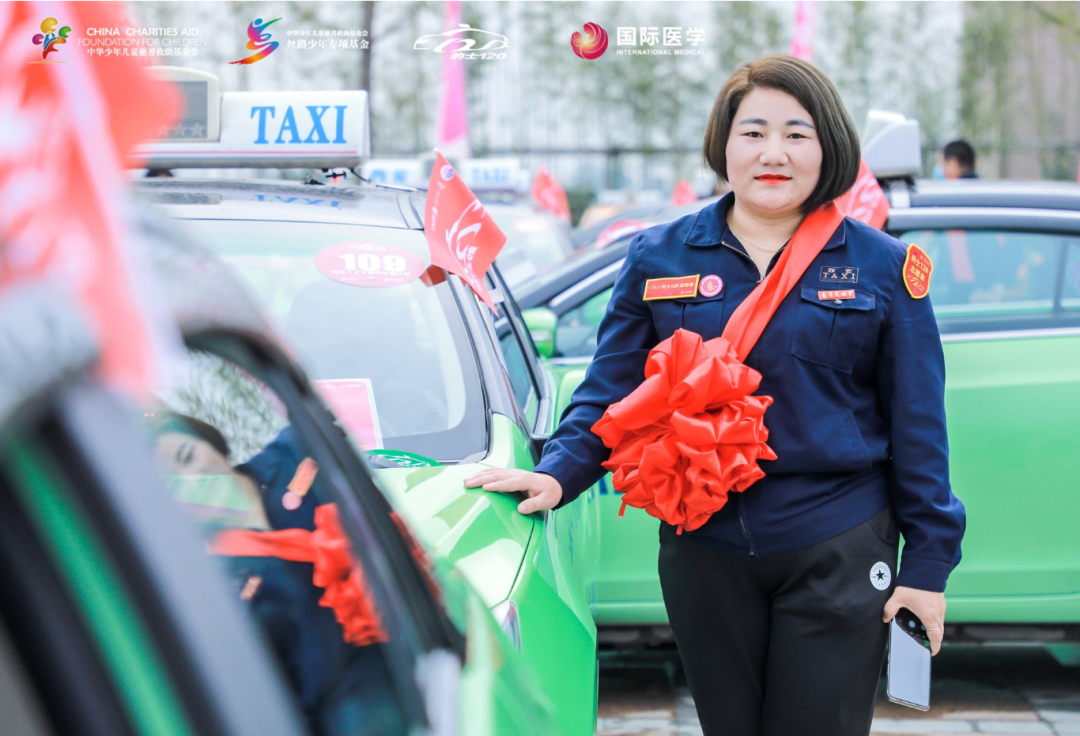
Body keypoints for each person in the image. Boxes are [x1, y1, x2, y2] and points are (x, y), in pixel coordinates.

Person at [466, 55, 966, 736]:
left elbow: (919, 426)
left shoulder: (882, 266)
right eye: (753, 132)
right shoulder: (660, 256)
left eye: (796, 134)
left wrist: (928, 567)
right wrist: (558, 472)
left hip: (838, 540)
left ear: (828, 147)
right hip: (704, 544)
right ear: (723, 145)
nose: (773, 153)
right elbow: (610, 390)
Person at [153, 414, 406, 736]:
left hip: (417, 633)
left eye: (188, 456)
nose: (193, 480)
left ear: (209, 440)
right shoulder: (213, 584)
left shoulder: (296, 453)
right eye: (172, 485)